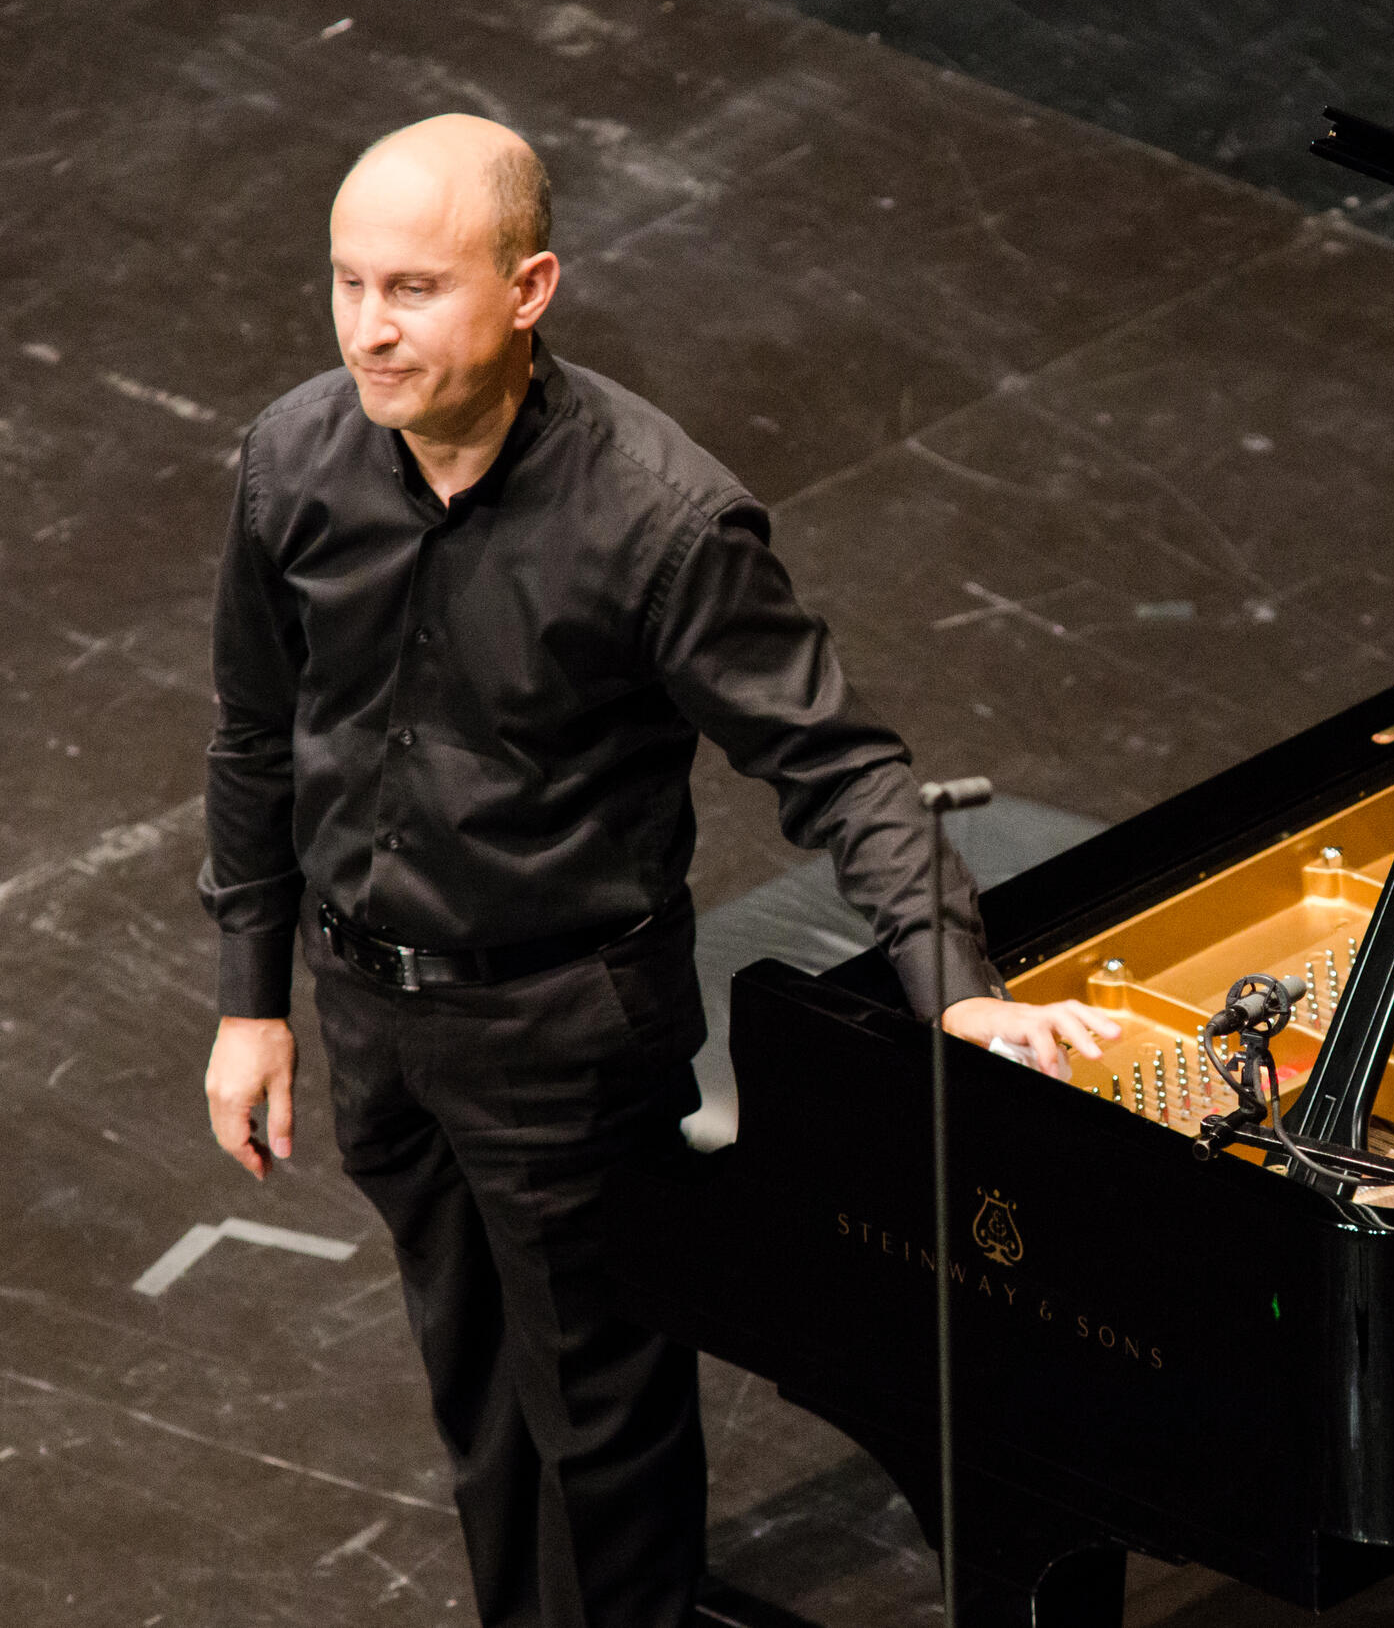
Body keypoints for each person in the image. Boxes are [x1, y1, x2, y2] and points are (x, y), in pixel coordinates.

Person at [197, 114, 1121, 1628]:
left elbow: (841, 765)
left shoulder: (659, 519)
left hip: (563, 1037)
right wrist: (252, 1001)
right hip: (370, 1012)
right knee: (482, 1410)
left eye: (414, 288)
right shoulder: (294, 460)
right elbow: (254, 734)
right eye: (348, 282)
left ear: (529, 288)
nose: (368, 329)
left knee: (602, 1437)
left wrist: (954, 991)